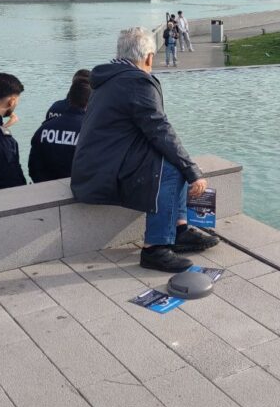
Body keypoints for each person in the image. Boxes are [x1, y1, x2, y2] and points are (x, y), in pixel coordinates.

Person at [71, 27, 219, 273]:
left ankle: (178, 229)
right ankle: (154, 249)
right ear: (149, 57)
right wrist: (193, 171)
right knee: (170, 169)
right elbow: (160, 129)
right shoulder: (137, 80)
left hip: (95, 165)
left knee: (172, 159)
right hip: (105, 171)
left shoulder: (108, 77)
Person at [29, 78, 91, 183]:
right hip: (78, 191)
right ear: (91, 101)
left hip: (44, 189)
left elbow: (33, 166)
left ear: (69, 99)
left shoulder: (44, 128)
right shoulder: (90, 131)